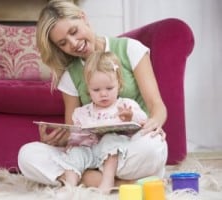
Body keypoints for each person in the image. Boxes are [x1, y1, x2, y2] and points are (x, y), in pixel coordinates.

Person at [18, 0, 167, 190]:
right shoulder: (70, 75)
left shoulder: (130, 49)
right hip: (91, 151)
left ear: (83, 18)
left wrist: (155, 122)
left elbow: (157, 105)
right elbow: (74, 131)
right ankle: (123, 184)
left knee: (152, 148)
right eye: (63, 43)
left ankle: (90, 178)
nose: (73, 44)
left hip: (130, 147)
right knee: (28, 154)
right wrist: (58, 139)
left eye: (73, 32)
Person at [55, 51, 148, 194]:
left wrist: (131, 116)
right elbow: (76, 135)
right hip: (91, 151)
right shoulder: (83, 112)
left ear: (119, 84)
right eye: (96, 90)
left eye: (109, 88)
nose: (103, 94)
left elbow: (143, 120)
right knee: (75, 153)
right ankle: (70, 186)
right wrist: (74, 140)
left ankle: (107, 181)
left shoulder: (125, 105)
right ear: (88, 89)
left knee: (110, 139)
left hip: (116, 156)